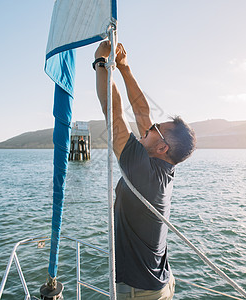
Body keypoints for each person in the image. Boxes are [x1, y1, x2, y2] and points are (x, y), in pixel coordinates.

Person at [94, 41, 196, 300]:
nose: (148, 127)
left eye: (154, 129)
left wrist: (100, 63)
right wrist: (125, 68)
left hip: (139, 293)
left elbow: (114, 113)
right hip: (159, 283)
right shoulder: (162, 167)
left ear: (162, 147)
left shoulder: (144, 173)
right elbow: (141, 111)